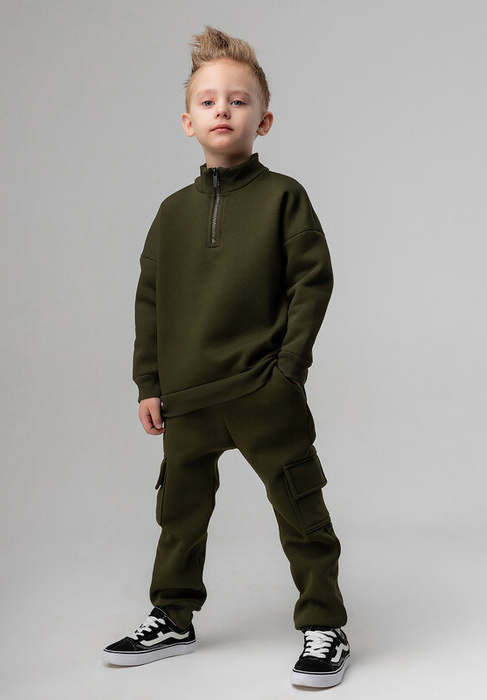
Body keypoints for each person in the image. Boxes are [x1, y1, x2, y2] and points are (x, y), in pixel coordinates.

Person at [103, 26, 350, 689]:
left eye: (238, 101)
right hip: (187, 399)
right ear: (188, 121)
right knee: (179, 517)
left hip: (263, 392)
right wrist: (149, 383)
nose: (223, 110)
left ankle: (324, 624)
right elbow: (150, 302)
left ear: (262, 120)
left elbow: (312, 283)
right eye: (208, 101)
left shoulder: (283, 197)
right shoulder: (170, 214)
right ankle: (172, 616)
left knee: (300, 509)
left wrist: (288, 370)